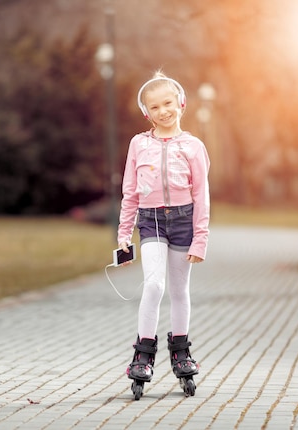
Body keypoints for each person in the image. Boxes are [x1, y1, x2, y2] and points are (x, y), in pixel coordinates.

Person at [117, 71, 210, 394]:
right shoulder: (139, 144)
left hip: (184, 220)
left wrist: (201, 238)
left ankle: (182, 352)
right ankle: (143, 353)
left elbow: (202, 196)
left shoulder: (194, 146)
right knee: (154, 285)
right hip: (151, 221)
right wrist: (123, 236)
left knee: (179, 291)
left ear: (180, 103)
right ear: (146, 112)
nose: (163, 111)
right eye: (154, 107)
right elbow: (130, 192)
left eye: (168, 103)